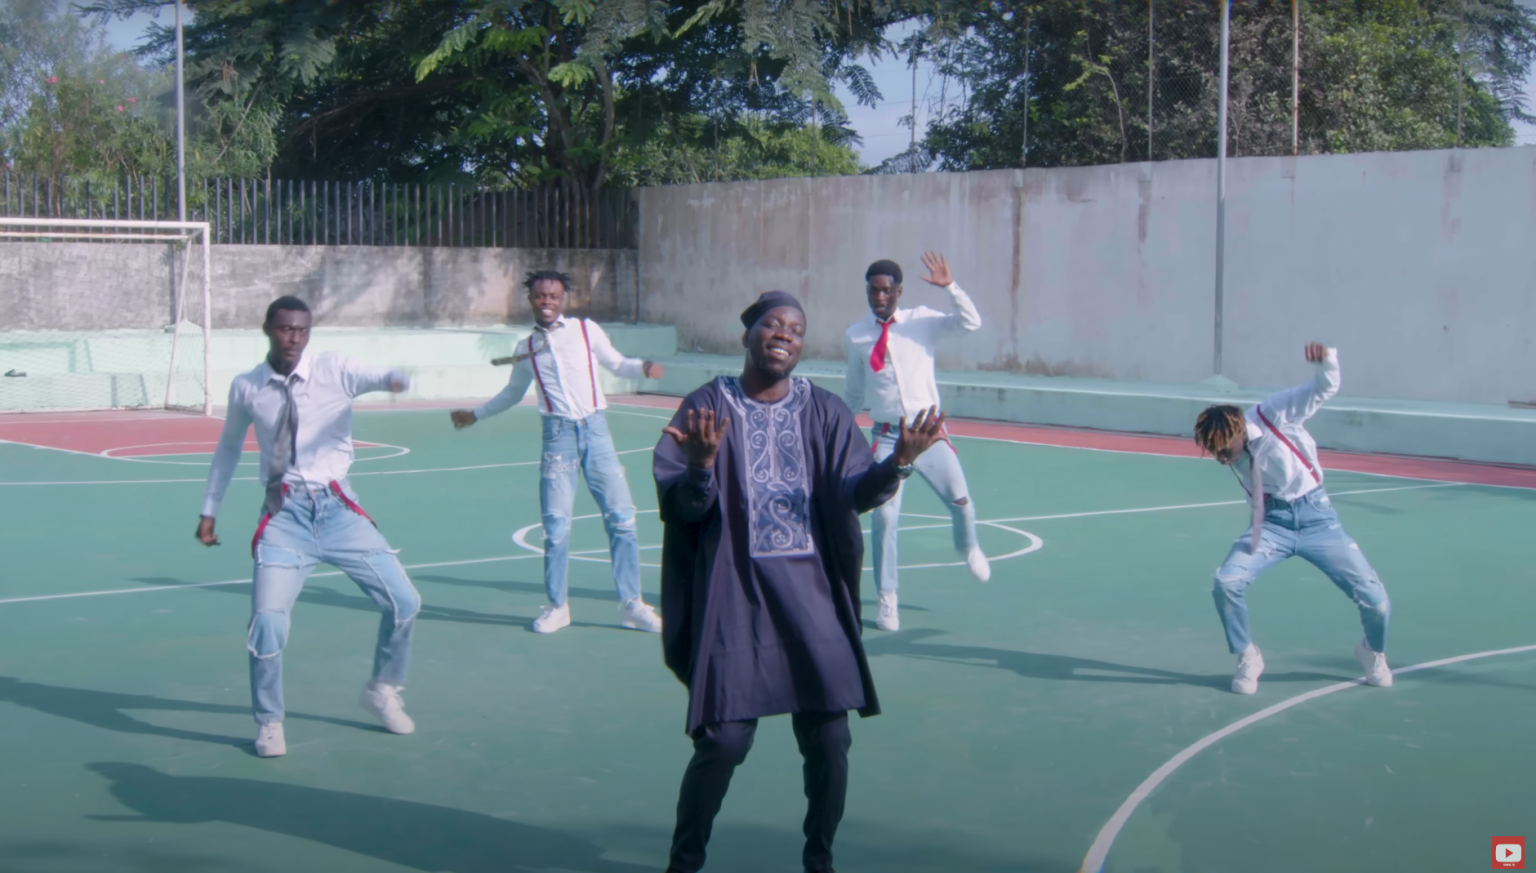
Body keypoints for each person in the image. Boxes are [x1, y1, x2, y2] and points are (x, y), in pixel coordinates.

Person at [654, 290, 946, 873]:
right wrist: (700, 467)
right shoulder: (706, 406)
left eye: (795, 327)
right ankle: (684, 863)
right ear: (748, 335)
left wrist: (899, 464)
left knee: (830, 742)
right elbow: (682, 508)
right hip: (736, 598)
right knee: (724, 742)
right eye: (772, 324)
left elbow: (854, 492)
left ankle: (820, 860)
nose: (784, 333)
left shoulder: (827, 411)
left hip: (813, 601)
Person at [197, 295, 420, 758]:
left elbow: (377, 376)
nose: (294, 337)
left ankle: (383, 688)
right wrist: (209, 509)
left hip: (339, 511)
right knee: (267, 624)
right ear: (267, 330)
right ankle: (269, 720)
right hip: (285, 517)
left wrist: (395, 379)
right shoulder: (246, 387)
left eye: (302, 329)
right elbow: (228, 449)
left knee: (404, 601)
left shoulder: (335, 368)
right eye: (285, 329)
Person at [451, 270, 666, 635]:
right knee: (555, 529)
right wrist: (475, 414)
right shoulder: (526, 349)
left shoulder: (586, 331)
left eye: (553, 295)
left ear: (562, 299)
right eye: (540, 296)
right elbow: (513, 394)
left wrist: (643, 367)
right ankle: (557, 607)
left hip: (597, 432)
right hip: (557, 438)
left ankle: (632, 604)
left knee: (622, 519)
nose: (546, 301)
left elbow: (616, 362)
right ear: (531, 300)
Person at [1194, 343, 1393, 695]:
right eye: (1214, 451)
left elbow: (1323, 389)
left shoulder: (1273, 414)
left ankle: (1371, 651)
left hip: (1319, 520)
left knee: (1377, 602)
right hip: (1270, 526)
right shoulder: (1228, 449)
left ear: (1239, 431)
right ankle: (1247, 656)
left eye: (1225, 449)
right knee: (1226, 583)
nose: (1221, 457)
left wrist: (1326, 362)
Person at [842, 252, 989, 632]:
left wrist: (951, 288)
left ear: (898, 291)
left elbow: (971, 323)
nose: (879, 297)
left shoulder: (922, 321)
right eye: (873, 291)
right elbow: (854, 393)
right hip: (889, 437)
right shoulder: (857, 335)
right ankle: (888, 600)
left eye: (886, 291)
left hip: (928, 434)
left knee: (961, 500)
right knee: (885, 518)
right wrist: (835, 428)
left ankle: (968, 546)